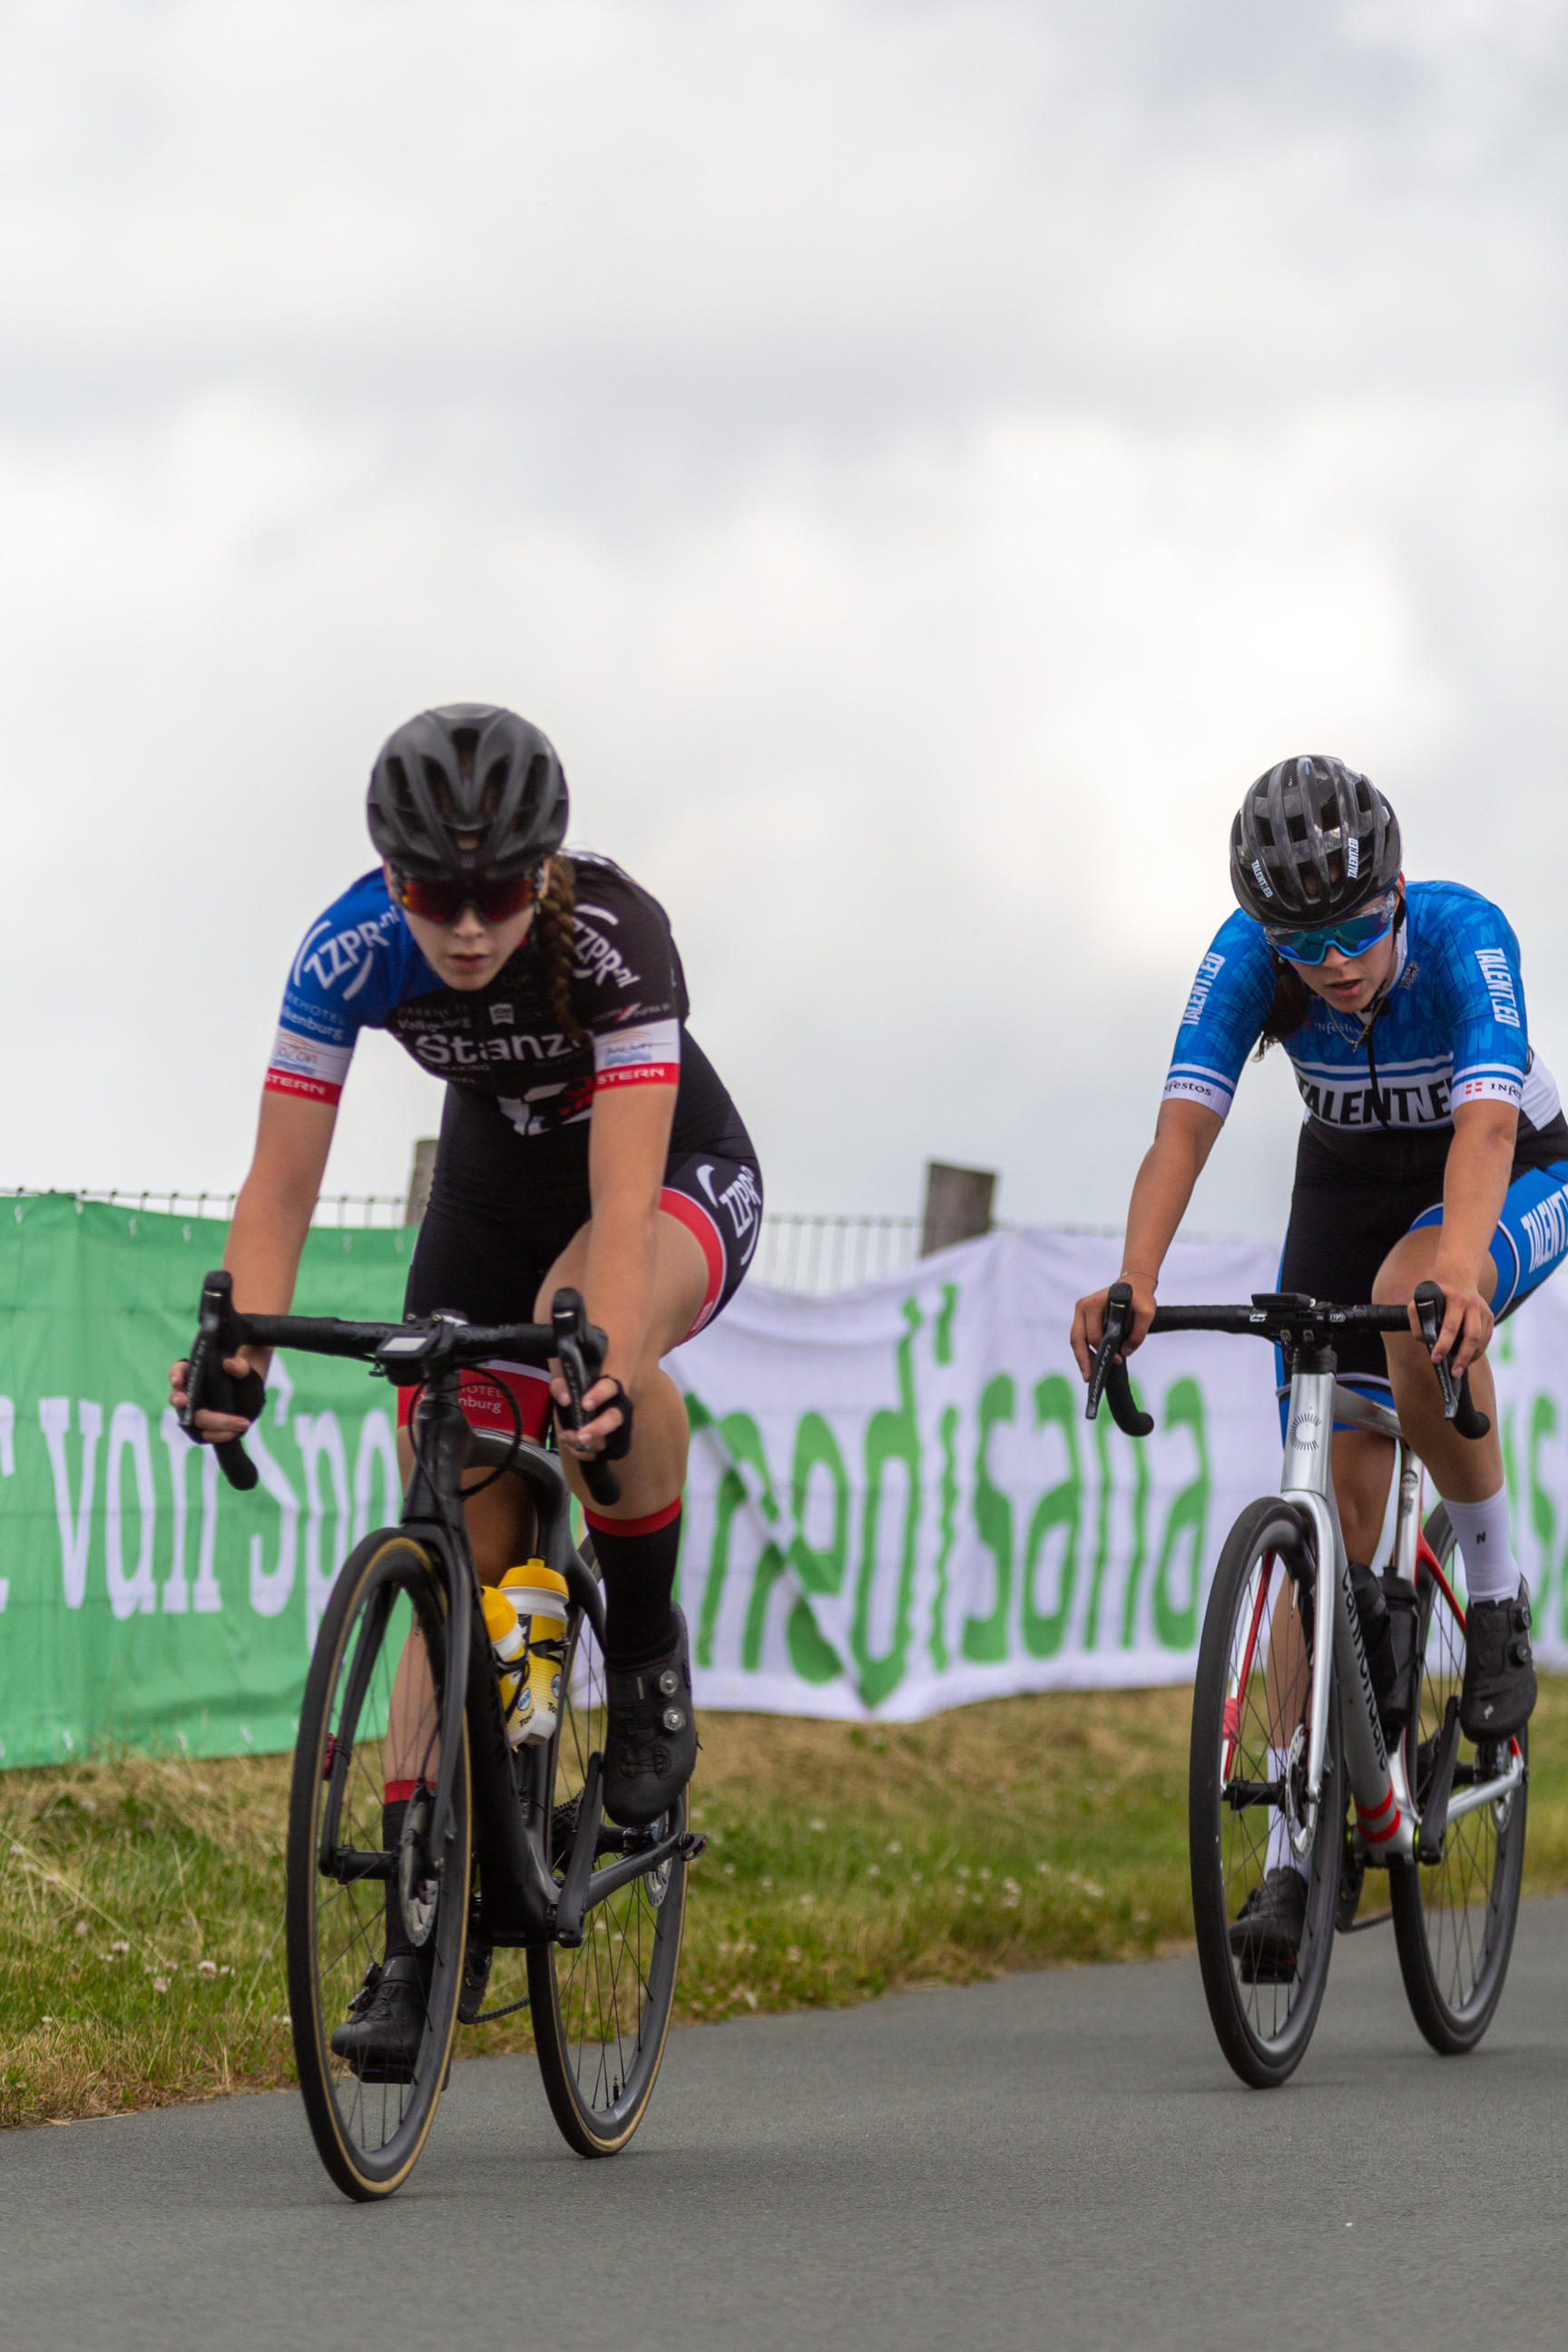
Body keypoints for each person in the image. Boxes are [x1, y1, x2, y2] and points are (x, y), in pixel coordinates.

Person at [172, 701, 762, 2060]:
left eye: (499, 892)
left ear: (545, 871)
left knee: (587, 1338)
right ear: (391, 881)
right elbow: (281, 1177)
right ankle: (418, 1932)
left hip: (666, 1178)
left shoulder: (617, 940)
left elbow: (621, 1213)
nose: (470, 925)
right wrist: (241, 1345)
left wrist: (598, 1363)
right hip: (488, 1196)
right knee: (459, 1546)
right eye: (437, 894)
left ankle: (653, 1655)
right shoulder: (348, 951)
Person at [1071, 756, 1563, 1970]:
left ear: (1394, 892)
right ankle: (1295, 1846)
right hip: (1345, 1179)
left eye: (1353, 928)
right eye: (1304, 943)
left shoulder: (1462, 937)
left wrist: (1461, 1270)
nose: (1334, 961)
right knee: (1330, 1518)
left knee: (1413, 1303)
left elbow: (1487, 1125)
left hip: (1508, 1162)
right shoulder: (1246, 960)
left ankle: (1494, 1598)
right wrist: (1132, 1279)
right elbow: (1182, 1130)